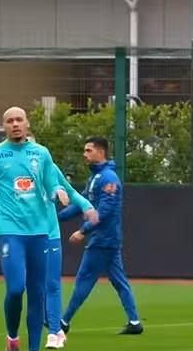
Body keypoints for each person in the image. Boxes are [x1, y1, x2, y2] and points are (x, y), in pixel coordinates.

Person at [0, 106, 70, 351]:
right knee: (16, 288)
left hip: (40, 232)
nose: (15, 124)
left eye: (19, 119)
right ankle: (12, 339)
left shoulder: (41, 154)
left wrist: (59, 192)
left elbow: (52, 182)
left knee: (37, 293)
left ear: (27, 123)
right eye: (9, 121)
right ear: (3, 126)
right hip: (10, 233)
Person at [58, 137, 143, 335]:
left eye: (88, 150)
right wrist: (57, 218)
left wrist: (83, 230)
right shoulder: (95, 178)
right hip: (105, 239)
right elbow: (82, 204)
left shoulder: (108, 179)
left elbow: (104, 212)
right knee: (119, 281)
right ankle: (135, 322)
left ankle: (64, 321)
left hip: (102, 240)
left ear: (100, 152)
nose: (84, 154)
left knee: (84, 279)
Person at [25, 133, 98, 350]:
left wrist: (87, 207)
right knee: (32, 286)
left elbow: (70, 191)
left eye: (32, 145)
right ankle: (41, 330)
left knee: (51, 284)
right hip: (26, 233)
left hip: (49, 233)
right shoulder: (11, 169)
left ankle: (55, 332)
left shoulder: (48, 166)